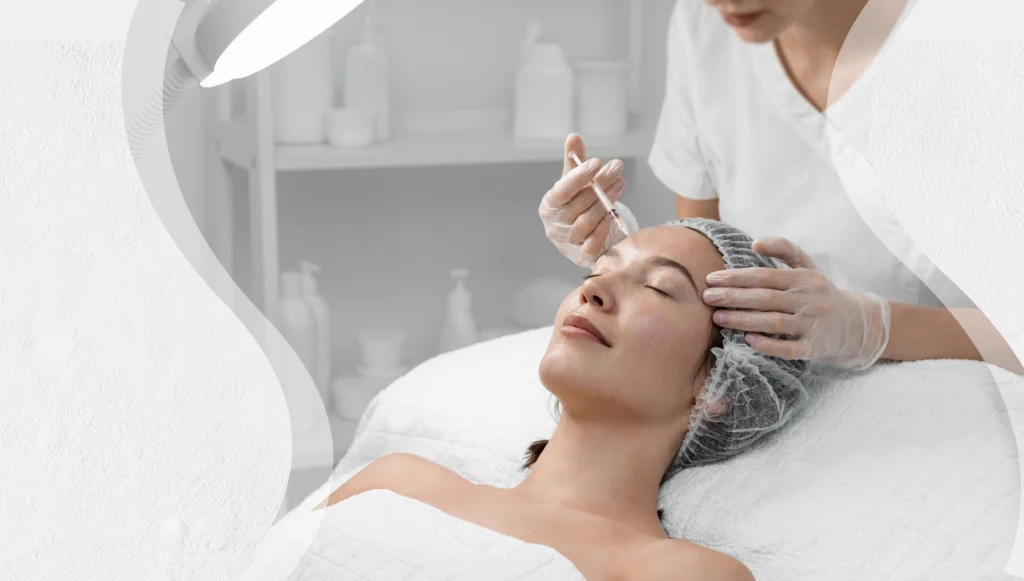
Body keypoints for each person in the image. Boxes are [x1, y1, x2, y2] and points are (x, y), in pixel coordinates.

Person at [538, 0, 1023, 375]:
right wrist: (627, 255)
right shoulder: (707, 27)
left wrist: (870, 328)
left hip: (964, 405)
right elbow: (710, 263)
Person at [315, 218, 807, 581]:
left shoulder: (680, 574)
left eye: (657, 288)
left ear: (718, 385)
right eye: (597, 272)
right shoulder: (397, 482)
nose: (595, 290)